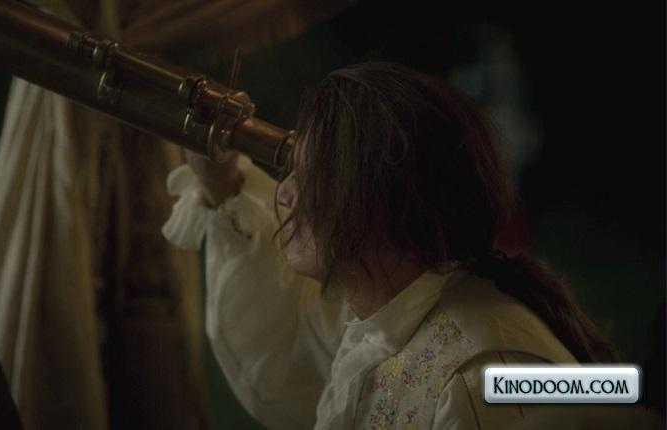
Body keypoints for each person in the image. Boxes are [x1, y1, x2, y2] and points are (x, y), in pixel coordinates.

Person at [161, 62, 620, 429]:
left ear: (381, 199)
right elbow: (282, 362)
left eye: (314, 174)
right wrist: (220, 183)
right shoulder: (385, 313)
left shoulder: (483, 380)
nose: (284, 192)